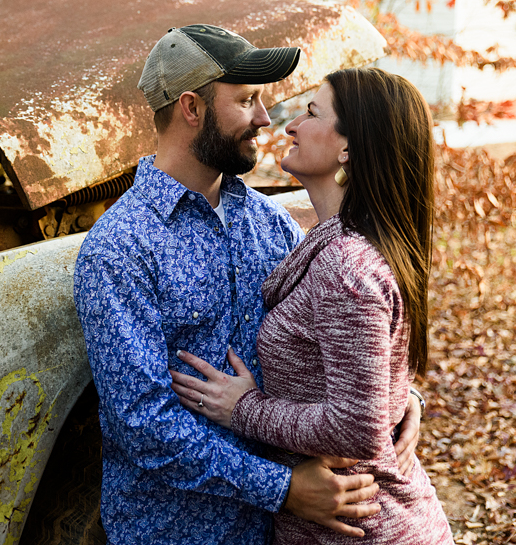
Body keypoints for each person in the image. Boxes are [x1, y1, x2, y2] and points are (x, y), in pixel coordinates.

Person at [73, 26, 425, 545]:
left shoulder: (269, 224)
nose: (265, 118)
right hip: (183, 530)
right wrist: (283, 487)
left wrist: (399, 398)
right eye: (245, 101)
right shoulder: (120, 249)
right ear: (191, 108)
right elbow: (142, 425)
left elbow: (339, 343)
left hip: (289, 530)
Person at [169, 67, 453, 544]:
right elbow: (365, 375)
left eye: (312, 112)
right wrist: (402, 399)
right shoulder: (343, 244)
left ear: (348, 149)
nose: (291, 124)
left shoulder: (346, 267)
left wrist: (244, 409)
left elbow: (355, 428)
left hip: (366, 528)